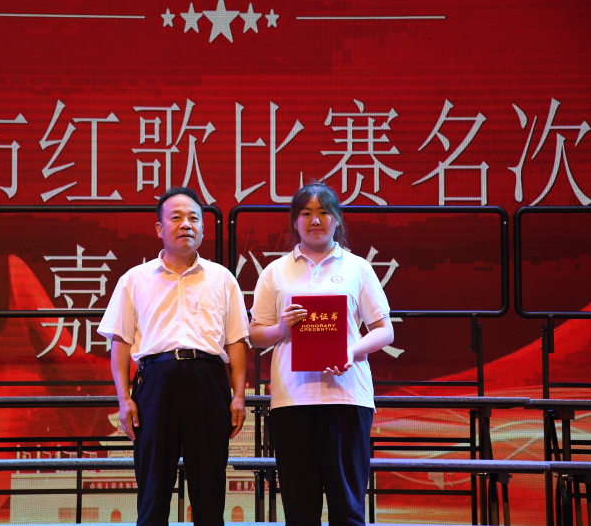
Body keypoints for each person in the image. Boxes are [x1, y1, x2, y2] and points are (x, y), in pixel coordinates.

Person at [97, 187, 249, 526]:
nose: (186, 224)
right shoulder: (135, 279)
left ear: (203, 228)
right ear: (159, 228)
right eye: (176, 217)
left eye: (194, 218)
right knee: (153, 489)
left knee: (209, 489)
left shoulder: (222, 279)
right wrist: (124, 399)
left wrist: (238, 396)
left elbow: (237, 342)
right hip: (155, 382)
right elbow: (120, 343)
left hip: (208, 382)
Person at [248, 181, 394, 526]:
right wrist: (281, 328)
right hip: (292, 399)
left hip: (347, 397)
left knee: (348, 507)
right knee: (300, 509)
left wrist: (351, 350)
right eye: (306, 213)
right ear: (294, 222)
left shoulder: (357, 267)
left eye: (323, 212)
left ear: (337, 220)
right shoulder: (275, 271)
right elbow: (254, 335)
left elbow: (385, 330)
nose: (315, 220)